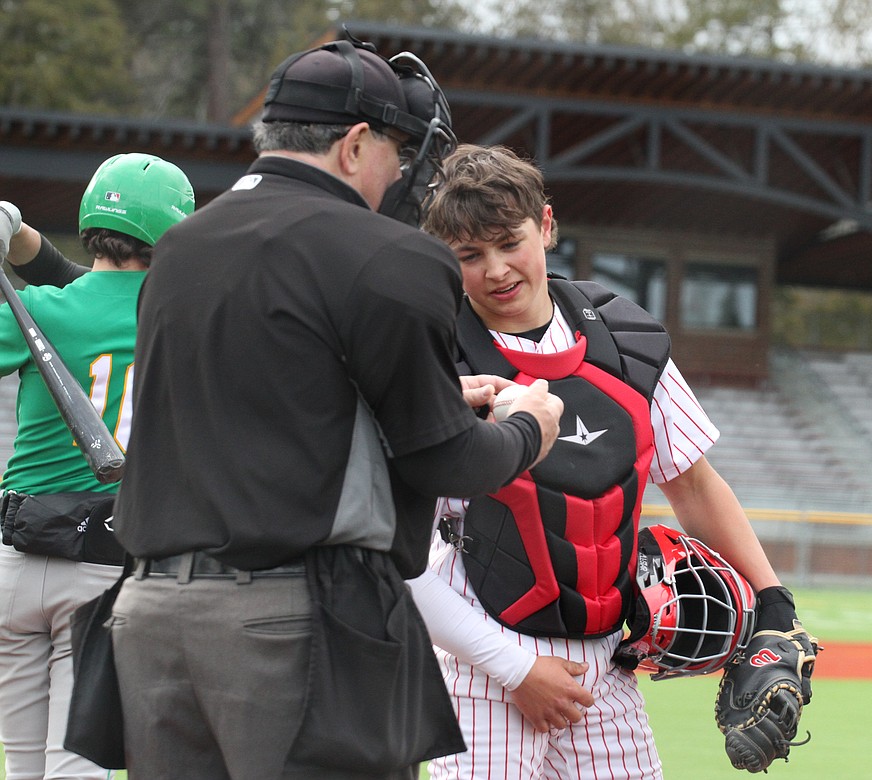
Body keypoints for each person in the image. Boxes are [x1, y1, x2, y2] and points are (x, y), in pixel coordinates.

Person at [106, 39, 563, 780]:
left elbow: (279, 402)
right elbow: (446, 459)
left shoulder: (183, 247)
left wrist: (441, 395)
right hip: (292, 620)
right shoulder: (392, 255)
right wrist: (527, 430)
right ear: (355, 145)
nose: (401, 174)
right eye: (397, 149)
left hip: (152, 616)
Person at [409, 144, 816, 779]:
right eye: (469, 255)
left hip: (605, 660)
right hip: (480, 668)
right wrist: (512, 668)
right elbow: (398, 553)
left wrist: (773, 602)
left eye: (508, 242)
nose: (495, 270)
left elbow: (694, 483)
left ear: (545, 225)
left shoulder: (624, 341)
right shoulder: (429, 357)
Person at [0, 152, 194, 779]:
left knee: (23, 766)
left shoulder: (46, 309)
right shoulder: (189, 316)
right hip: (108, 564)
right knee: (76, 764)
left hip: (15, 557)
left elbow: (73, 289)